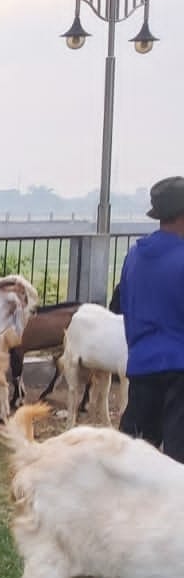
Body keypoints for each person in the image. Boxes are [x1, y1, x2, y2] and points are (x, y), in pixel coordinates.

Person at [117, 175, 184, 461]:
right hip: (180, 370)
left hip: (142, 367)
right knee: (177, 461)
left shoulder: (134, 256)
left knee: (132, 459)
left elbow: (121, 305)